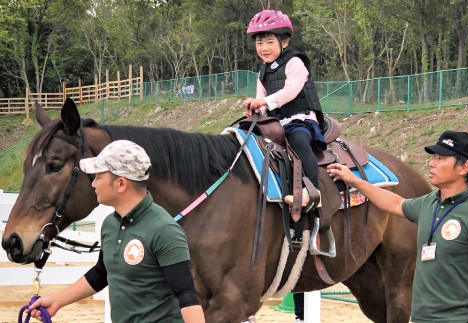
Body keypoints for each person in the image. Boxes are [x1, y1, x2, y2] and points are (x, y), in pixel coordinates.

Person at [327, 130, 468, 323]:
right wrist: (355, 181)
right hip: (422, 319)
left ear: (464, 167)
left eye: (441, 158)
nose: (432, 163)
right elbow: (394, 203)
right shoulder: (428, 204)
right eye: (433, 157)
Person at [26, 140, 205, 323]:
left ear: (121, 184)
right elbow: (101, 274)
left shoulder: (165, 231)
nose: (93, 184)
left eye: (98, 177)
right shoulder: (110, 224)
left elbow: (186, 294)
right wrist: (57, 301)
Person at [242, 9, 327, 213]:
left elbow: (291, 91)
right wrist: (255, 111)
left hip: (301, 120)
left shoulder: (295, 62)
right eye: (259, 43)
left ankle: (312, 191)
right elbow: (262, 102)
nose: (264, 48)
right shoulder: (262, 71)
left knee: (299, 142)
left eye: (270, 42)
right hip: (278, 124)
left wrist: (262, 101)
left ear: (285, 42)